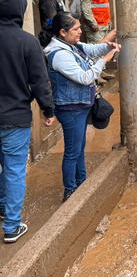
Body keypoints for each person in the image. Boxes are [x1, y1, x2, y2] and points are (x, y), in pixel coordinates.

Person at [43, 13, 121, 201]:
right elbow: (86, 78)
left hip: (80, 105)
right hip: (70, 108)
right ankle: (70, 190)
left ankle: (81, 182)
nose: (80, 32)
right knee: (72, 151)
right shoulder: (59, 54)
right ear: (63, 32)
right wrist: (106, 59)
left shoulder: (72, 45)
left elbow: (92, 49)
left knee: (79, 147)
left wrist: (107, 46)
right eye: (76, 29)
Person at [0, 0, 55, 243]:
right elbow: (39, 81)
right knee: (13, 170)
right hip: (15, 119)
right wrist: (48, 109)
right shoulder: (27, 41)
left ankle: (3, 206)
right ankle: (11, 226)